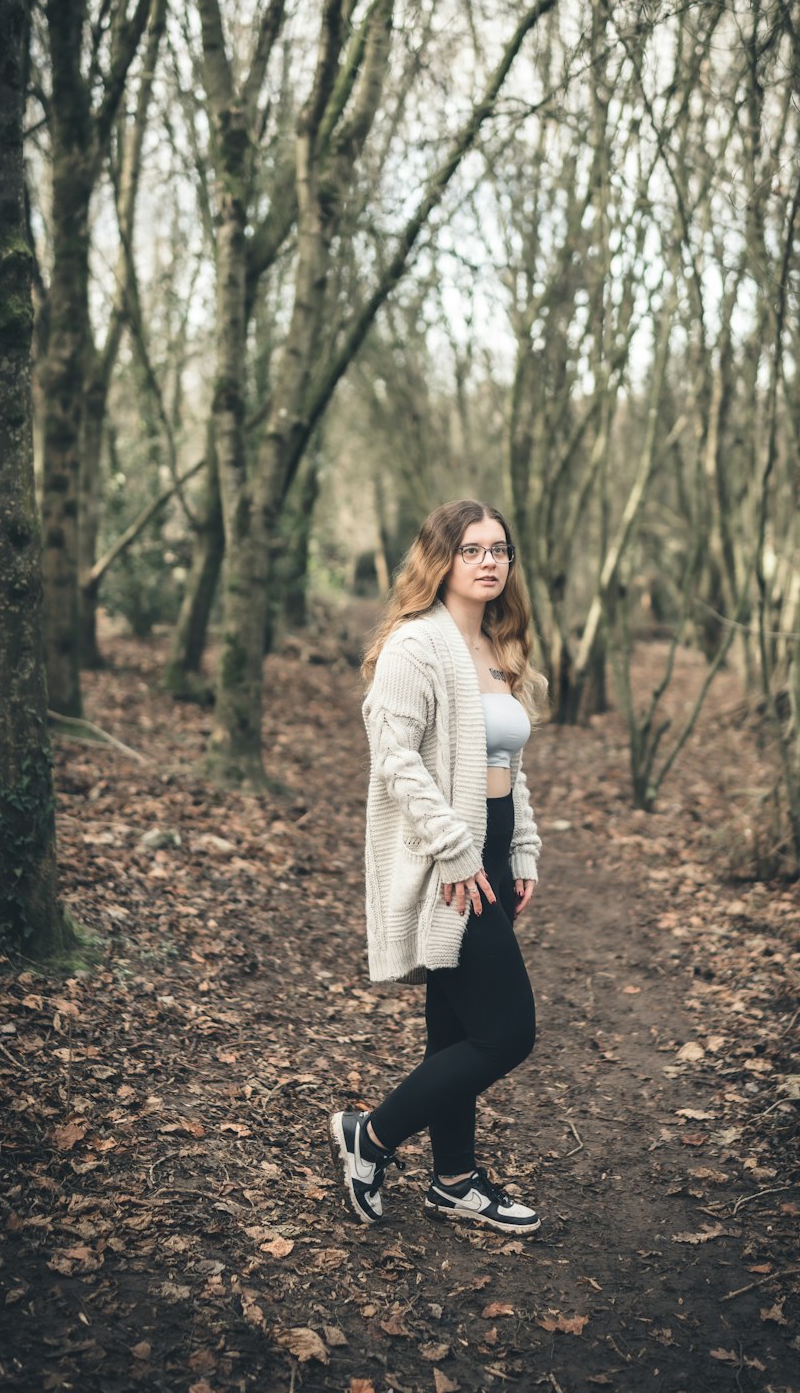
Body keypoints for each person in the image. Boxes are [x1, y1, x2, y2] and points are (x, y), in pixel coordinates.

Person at [329, 499, 547, 1236]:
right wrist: (454, 847)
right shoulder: (415, 647)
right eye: (472, 549)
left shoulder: (496, 643)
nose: (490, 561)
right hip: (446, 857)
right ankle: (372, 1135)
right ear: (441, 559)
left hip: (490, 852)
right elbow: (394, 759)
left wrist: (521, 849)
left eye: (500, 549)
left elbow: (509, 764)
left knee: (456, 1034)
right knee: (508, 1031)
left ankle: (454, 1179)